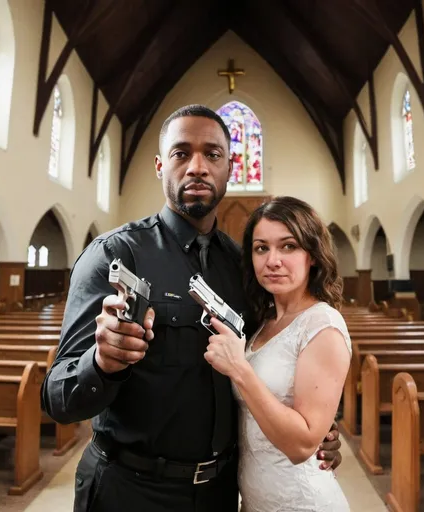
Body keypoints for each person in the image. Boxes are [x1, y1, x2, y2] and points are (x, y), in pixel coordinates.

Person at [41, 105, 342, 512]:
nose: (197, 166)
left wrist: (319, 427)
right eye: (182, 153)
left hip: (220, 492)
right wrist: (102, 362)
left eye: (212, 154)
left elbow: (269, 356)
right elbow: (58, 399)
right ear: (160, 164)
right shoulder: (115, 254)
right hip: (131, 490)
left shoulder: (242, 268)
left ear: (230, 167)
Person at [204, 196, 352, 511]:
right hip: (256, 501)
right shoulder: (263, 322)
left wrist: (239, 370)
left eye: (288, 246)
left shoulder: (323, 324)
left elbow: (301, 445)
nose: (273, 260)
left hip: (301, 502)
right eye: (261, 248)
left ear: (312, 255)